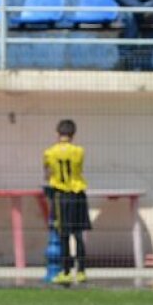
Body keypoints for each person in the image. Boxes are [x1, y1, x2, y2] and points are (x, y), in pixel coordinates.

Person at [44, 119, 90, 286]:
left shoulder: (50, 152)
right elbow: (78, 169)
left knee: (63, 235)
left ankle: (65, 272)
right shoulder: (79, 151)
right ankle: (82, 271)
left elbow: (47, 174)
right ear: (73, 134)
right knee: (78, 235)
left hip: (60, 196)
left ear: (58, 133)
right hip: (78, 195)